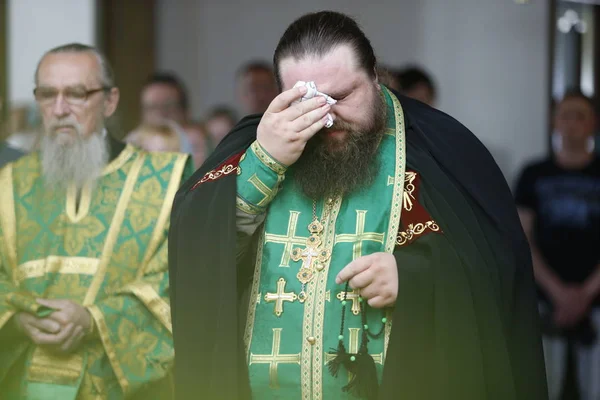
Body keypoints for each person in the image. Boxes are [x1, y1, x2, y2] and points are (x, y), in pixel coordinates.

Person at [169, 11, 547, 400]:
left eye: (344, 96)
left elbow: (496, 265)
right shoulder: (255, 145)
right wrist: (264, 161)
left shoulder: (438, 150)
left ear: (375, 76)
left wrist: (413, 277)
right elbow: (197, 256)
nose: (327, 118)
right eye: (307, 101)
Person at [0, 43, 193, 399]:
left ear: (109, 101)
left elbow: (182, 279)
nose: (59, 109)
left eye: (76, 94)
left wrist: (94, 320)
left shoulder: (166, 181)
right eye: (47, 95)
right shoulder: (7, 184)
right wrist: (15, 317)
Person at [515, 90, 600, 400]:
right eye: (566, 115)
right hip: (543, 298)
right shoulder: (533, 174)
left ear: (594, 123)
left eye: (580, 116)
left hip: (596, 299)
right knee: (542, 387)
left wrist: (584, 294)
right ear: (555, 122)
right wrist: (559, 293)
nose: (572, 123)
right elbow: (522, 236)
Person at [140, 73, 209, 165]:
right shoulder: (130, 150)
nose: (159, 115)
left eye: (167, 107)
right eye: (152, 107)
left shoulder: (199, 146)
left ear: (185, 111)